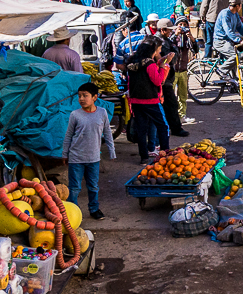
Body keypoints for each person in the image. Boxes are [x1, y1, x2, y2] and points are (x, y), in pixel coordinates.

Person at [63, 83, 115, 220]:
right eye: (79, 96)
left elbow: (108, 133)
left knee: (93, 186)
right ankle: (73, 213)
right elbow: (68, 136)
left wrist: (112, 151)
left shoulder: (102, 113)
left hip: (93, 159)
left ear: (95, 97)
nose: (81, 99)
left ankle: (94, 209)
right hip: (76, 158)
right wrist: (64, 154)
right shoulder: (75, 115)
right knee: (74, 188)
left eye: (85, 96)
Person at [124, 43, 171, 159]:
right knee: (163, 127)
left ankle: (143, 157)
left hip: (136, 101)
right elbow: (158, 81)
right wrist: (163, 66)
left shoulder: (131, 63)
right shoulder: (149, 64)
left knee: (141, 130)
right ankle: (165, 155)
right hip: (150, 101)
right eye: (157, 51)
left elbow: (130, 83)